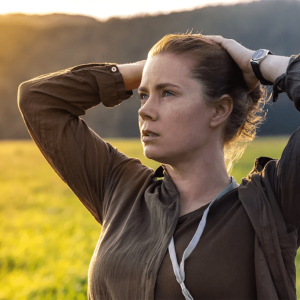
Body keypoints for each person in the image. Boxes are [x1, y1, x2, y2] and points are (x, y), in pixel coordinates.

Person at [18, 34, 300, 300]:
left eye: (167, 93)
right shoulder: (121, 189)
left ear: (219, 110)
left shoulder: (272, 204)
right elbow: (38, 100)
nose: (144, 111)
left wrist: (258, 62)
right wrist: (152, 69)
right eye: (143, 95)